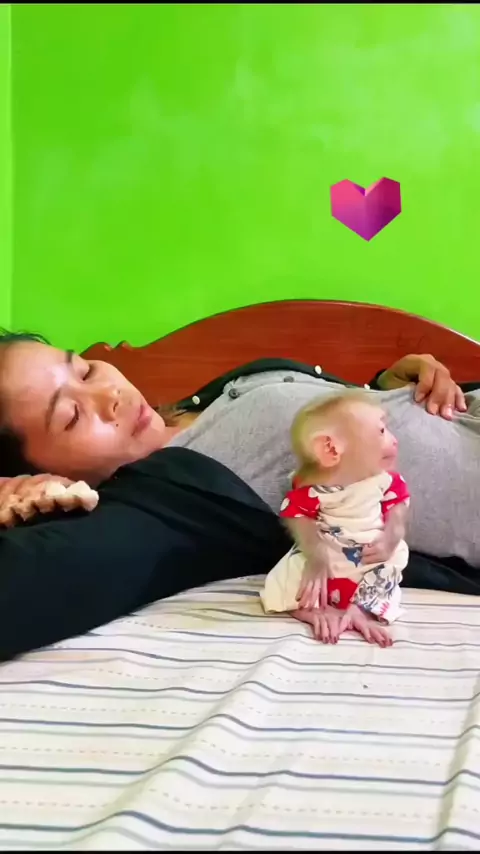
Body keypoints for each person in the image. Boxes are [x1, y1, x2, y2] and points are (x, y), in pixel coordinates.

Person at [0, 331, 479, 660]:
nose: (110, 396)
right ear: (35, 471)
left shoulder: (201, 402)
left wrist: (384, 387)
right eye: (71, 416)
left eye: (85, 371)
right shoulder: (167, 502)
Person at [261, 392, 410, 647]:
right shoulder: (312, 486)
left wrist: (391, 538)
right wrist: (316, 558)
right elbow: (297, 517)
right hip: (326, 550)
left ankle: (360, 609)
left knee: (393, 561)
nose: (394, 440)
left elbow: (398, 509)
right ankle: (308, 608)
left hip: (371, 551)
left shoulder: (384, 479)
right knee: (294, 569)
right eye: (381, 431)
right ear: (331, 449)